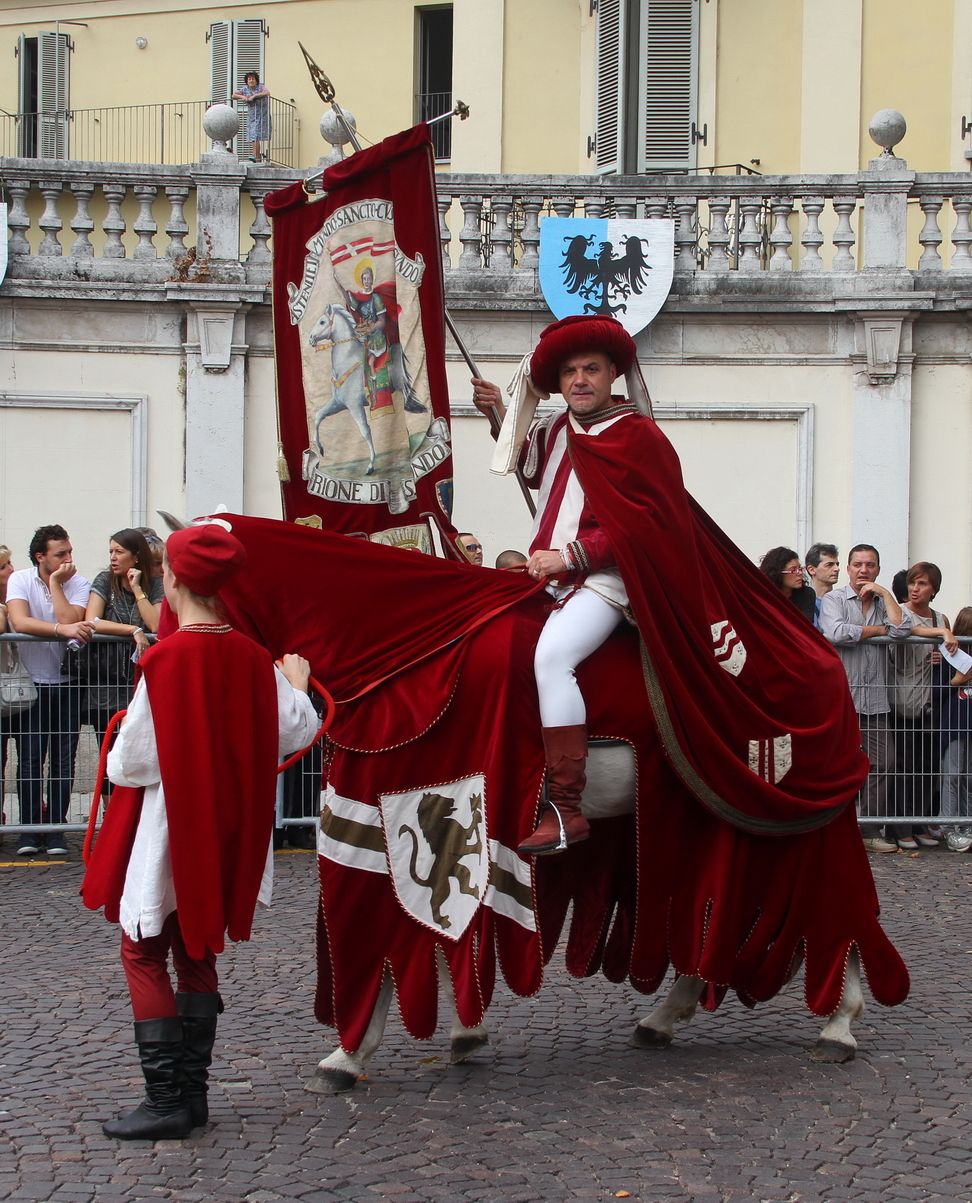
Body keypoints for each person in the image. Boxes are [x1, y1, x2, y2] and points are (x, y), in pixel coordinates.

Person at [81, 523, 318, 1140]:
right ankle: (192, 1097)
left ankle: (167, 1101)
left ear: (175, 579)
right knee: (197, 949)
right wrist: (294, 686)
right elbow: (294, 733)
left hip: (167, 827)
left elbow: (129, 764)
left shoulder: (164, 660)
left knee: (142, 950)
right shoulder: (252, 657)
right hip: (227, 826)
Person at [473, 317, 640, 854]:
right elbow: (525, 463)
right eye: (569, 371)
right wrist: (499, 413)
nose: (580, 379)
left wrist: (568, 556)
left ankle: (567, 809)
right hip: (548, 579)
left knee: (552, 658)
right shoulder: (553, 428)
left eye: (591, 368)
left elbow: (643, 524)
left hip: (606, 581)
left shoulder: (637, 435)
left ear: (613, 372)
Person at [6, 525, 93, 856]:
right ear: (40, 556)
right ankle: (29, 831)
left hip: (69, 685)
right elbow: (21, 621)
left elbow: (74, 617)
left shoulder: (78, 583)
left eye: (70, 552)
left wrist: (56, 583)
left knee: (63, 760)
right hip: (31, 686)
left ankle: (56, 829)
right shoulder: (21, 580)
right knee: (29, 760)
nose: (69, 558)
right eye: (60, 554)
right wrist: (61, 629)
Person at [820, 544, 913, 854]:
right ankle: (830, 828)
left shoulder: (883, 602)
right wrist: (877, 629)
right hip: (842, 701)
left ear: (877, 570)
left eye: (870, 565)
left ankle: (869, 829)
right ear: (848, 569)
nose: (863, 570)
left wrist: (886, 595)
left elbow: (902, 630)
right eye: (858, 564)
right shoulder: (834, 599)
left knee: (884, 762)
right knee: (837, 766)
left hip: (875, 702)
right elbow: (835, 632)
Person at [84, 530, 164, 796]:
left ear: (136, 555)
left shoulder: (155, 584)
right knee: (110, 755)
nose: (113, 558)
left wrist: (138, 588)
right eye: (111, 552)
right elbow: (93, 621)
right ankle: (110, 820)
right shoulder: (105, 580)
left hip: (141, 685)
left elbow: (154, 623)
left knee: (140, 753)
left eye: (119, 552)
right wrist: (132, 629)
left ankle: (135, 817)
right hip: (105, 683)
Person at [887, 563, 956, 850]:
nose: (916, 588)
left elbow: (953, 655)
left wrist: (944, 656)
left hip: (931, 704)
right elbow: (902, 630)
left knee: (927, 767)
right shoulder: (899, 612)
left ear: (934, 590)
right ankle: (900, 827)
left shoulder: (941, 618)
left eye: (923, 584)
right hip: (902, 699)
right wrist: (940, 633)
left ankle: (920, 823)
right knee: (902, 765)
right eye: (913, 582)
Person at [939, 606, 972, 852]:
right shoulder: (951, 653)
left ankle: (968, 824)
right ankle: (951, 828)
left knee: (968, 778)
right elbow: (938, 689)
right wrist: (958, 680)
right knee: (953, 775)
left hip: (965, 723)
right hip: (956, 722)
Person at [759, 546, 816, 622]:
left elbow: (805, 625)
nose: (800, 573)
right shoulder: (762, 596)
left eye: (799, 568)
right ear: (778, 573)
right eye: (793, 570)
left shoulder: (806, 594)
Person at [232, 71, 272, 162]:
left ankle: (256, 156)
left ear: (256, 80)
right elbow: (234, 95)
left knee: (256, 135)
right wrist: (243, 97)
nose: (251, 80)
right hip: (252, 115)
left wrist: (254, 96)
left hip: (262, 115)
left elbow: (267, 93)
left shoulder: (260, 87)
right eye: (249, 79)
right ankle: (255, 155)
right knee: (253, 135)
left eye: (253, 78)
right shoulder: (245, 89)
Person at [805, 543, 840, 628]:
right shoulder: (803, 603)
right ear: (812, 570)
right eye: (829, 565)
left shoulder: (842, 601)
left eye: (837, 564)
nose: (837, 569)